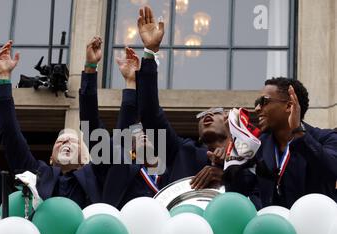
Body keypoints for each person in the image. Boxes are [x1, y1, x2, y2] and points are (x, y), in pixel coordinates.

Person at [0, 41, 101, 209]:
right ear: (51, 158)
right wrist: (3, 78)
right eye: (60, 141)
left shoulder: (96, 176)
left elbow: (92, 122)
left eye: (73, 141)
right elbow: (11, 134)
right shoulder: (39, 174)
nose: (66, 142)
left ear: (85, 158)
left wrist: (90, 69)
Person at [226, 77, 337, 207]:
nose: (257, 108)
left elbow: (332, 169)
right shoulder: (258, 146)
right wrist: (232, 165)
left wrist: (299, 133)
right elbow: (240, 192)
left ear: (289, 106)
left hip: (316, 223)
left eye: (263, 101)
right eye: (257, 102)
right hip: (273, 225)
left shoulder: (326, 138)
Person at [79, 36, 161, 208]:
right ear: (131, 148)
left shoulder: (170, 173)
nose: (143, 135)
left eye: (147, 132)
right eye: (138, 132)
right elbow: (91, 124)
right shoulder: (120, 167)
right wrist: (90, 68)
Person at [135, 6, 208, 189]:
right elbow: (150, 114)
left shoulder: (246, 158)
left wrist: (223, 172)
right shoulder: (184, 151)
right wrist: (149, 53)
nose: (209, 115)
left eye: (217, 112)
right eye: (203, 115)